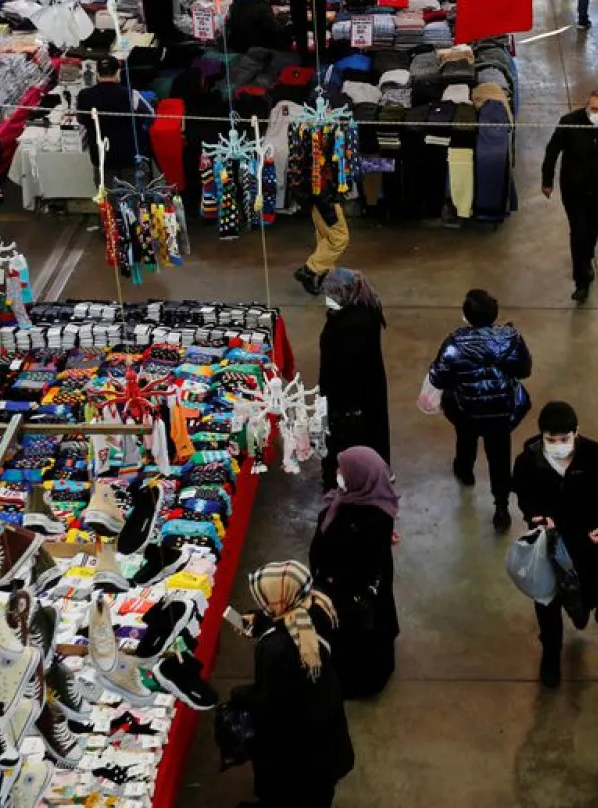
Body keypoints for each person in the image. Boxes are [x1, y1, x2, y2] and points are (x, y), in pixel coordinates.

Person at [511, 401, 598, 688]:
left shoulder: (595, 455)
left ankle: (580, 607)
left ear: (576, 432)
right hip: (548, 543)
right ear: (541, 436)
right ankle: (551, 653)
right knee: (546, 598)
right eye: (551, 440)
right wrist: (534, 516)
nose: (558, 446)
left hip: (586, 541)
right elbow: (522, 495)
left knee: (586, 588)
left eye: (564, 439)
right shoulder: (527, 462)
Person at [244, 561, 355, 807]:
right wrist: (263, 622)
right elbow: (289, 623)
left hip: (298, 750)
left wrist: (240, 696)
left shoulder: (276, 650)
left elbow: (271, 704)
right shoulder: (318, 606)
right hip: (327, 738)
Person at [427, 290, 533, 532]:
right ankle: (502, 507)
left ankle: (465, 472)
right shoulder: (511, 338)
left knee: (465, 440)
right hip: (501, 410)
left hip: (466, 410)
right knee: (500, 456)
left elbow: (438, 378)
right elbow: (524, 370)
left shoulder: (454, 343)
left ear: (466, 316)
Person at [309, 447, 400, 699]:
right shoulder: (356, 499)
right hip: (353, 589)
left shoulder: (366, 519)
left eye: (343, 469)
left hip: (352, 593)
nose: (338, 473)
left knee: (357, 638)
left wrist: (330, 576)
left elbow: (358, 564)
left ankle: (359, 683)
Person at [543, 92, 598, 302]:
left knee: (592, 228)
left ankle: (586, 257)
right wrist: (547, 180)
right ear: (587, 107)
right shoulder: (569, 122)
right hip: (573, 189)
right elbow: (552, 151)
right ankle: (581, 280)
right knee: (578, 232)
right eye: (595, 109)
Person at [317, 269, 390, 490]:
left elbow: (344, 370)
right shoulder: (365, 306)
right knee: (372, 432)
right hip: (369, 387)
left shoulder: (350, 326)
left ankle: (347, 480)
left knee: (350, 440)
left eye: (330, 295)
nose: (327, 300)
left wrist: (336, 403)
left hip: (349, 397)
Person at [76, 57, 156, 176]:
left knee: (106, 187)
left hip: (101, 158)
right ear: (118, 72)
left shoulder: (84, 96)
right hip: (129, 157)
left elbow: (81, 119)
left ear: (97, 73)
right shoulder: (131, 94)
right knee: (131, 187)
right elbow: (150, 116)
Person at [293, 192, 350, 296]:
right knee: (339, 239)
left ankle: (325, 276)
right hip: (326, 200)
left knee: (326, 239)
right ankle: (309, 270)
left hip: (318, 201)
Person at [226, 0, 294, 53]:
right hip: (253, 45)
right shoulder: (262, 8)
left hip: (236, 42)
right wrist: (280, 16)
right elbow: (275, 28)